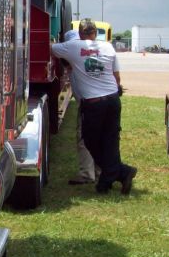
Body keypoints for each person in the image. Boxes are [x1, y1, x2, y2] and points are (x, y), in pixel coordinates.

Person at [51, 18, 137, 194]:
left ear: (80, 33)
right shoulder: (108, 47)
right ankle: (107, 180)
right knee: (111, 140)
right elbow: (117, 77)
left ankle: (121, 172)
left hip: (93, 103)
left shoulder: (74, 47)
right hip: (113, 100)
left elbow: (50, 48)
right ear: (96, 33)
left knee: (90, 140)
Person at [63, 29, 100, 185]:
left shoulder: (74, 64)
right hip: (99, 102)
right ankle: (99, 170)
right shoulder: (88, 59)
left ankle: (87, 174)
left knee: (84, 139)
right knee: (98, 138)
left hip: (88, 104)